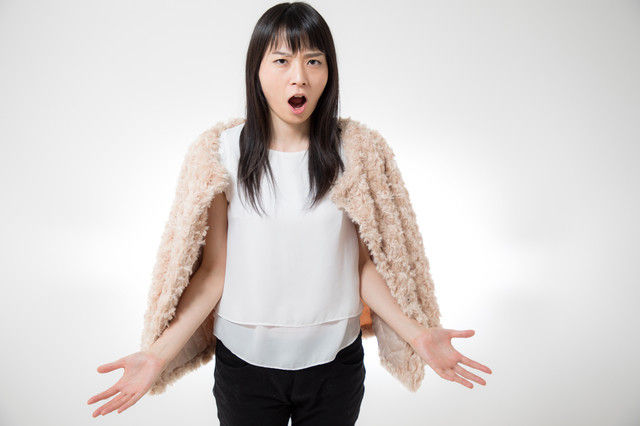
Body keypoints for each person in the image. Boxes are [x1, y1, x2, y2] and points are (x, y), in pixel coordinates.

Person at [87, 2, 492, 424]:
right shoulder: (219, 154)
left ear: (329, 71)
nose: (299, 76)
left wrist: (419, 335)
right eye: (281, 60)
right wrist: (155, 355)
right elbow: (211, 273)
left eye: (313, 61)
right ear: (257, 69)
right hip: (244, 368)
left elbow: (362, 267)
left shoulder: (356, 153)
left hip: (335, 366)